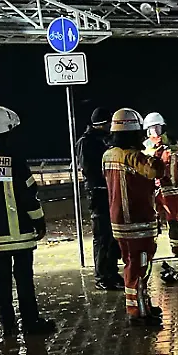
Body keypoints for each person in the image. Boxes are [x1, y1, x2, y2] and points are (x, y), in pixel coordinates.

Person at [0, 106, 56, 336]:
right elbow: (29, 195)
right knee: (24, 280)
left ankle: (7, 324)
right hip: (19, 234)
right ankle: (31, 323)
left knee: (1, 280)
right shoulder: (13, 159)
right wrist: (39, 222)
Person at [103, 108, 166, 325]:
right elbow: (156, 170)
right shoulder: (132, 156)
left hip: (119, 221)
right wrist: (154, 151)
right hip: (137, 221)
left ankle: (141, 305)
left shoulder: (108, 155)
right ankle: (139, 312)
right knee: (140, 267)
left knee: (131, 264)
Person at [76, 107, 122, 291]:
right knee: (102, 236)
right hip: (98, 194)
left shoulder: (105, 140)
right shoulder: (86, 142)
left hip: (109, 192)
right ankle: (102, 276)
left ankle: (112, 272)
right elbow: (89, 169)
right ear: (103, 123)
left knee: (112, 235)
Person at [142, 112, 178, 257]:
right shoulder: (144, 148)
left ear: (162, 128)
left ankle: (177, 250)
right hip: (151, 193)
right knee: (151, 224)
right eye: (151, 129)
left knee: (174, 223)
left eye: (157, 128)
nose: (155, 132)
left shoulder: (174, 146)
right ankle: (149, 253)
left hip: (172, 193)